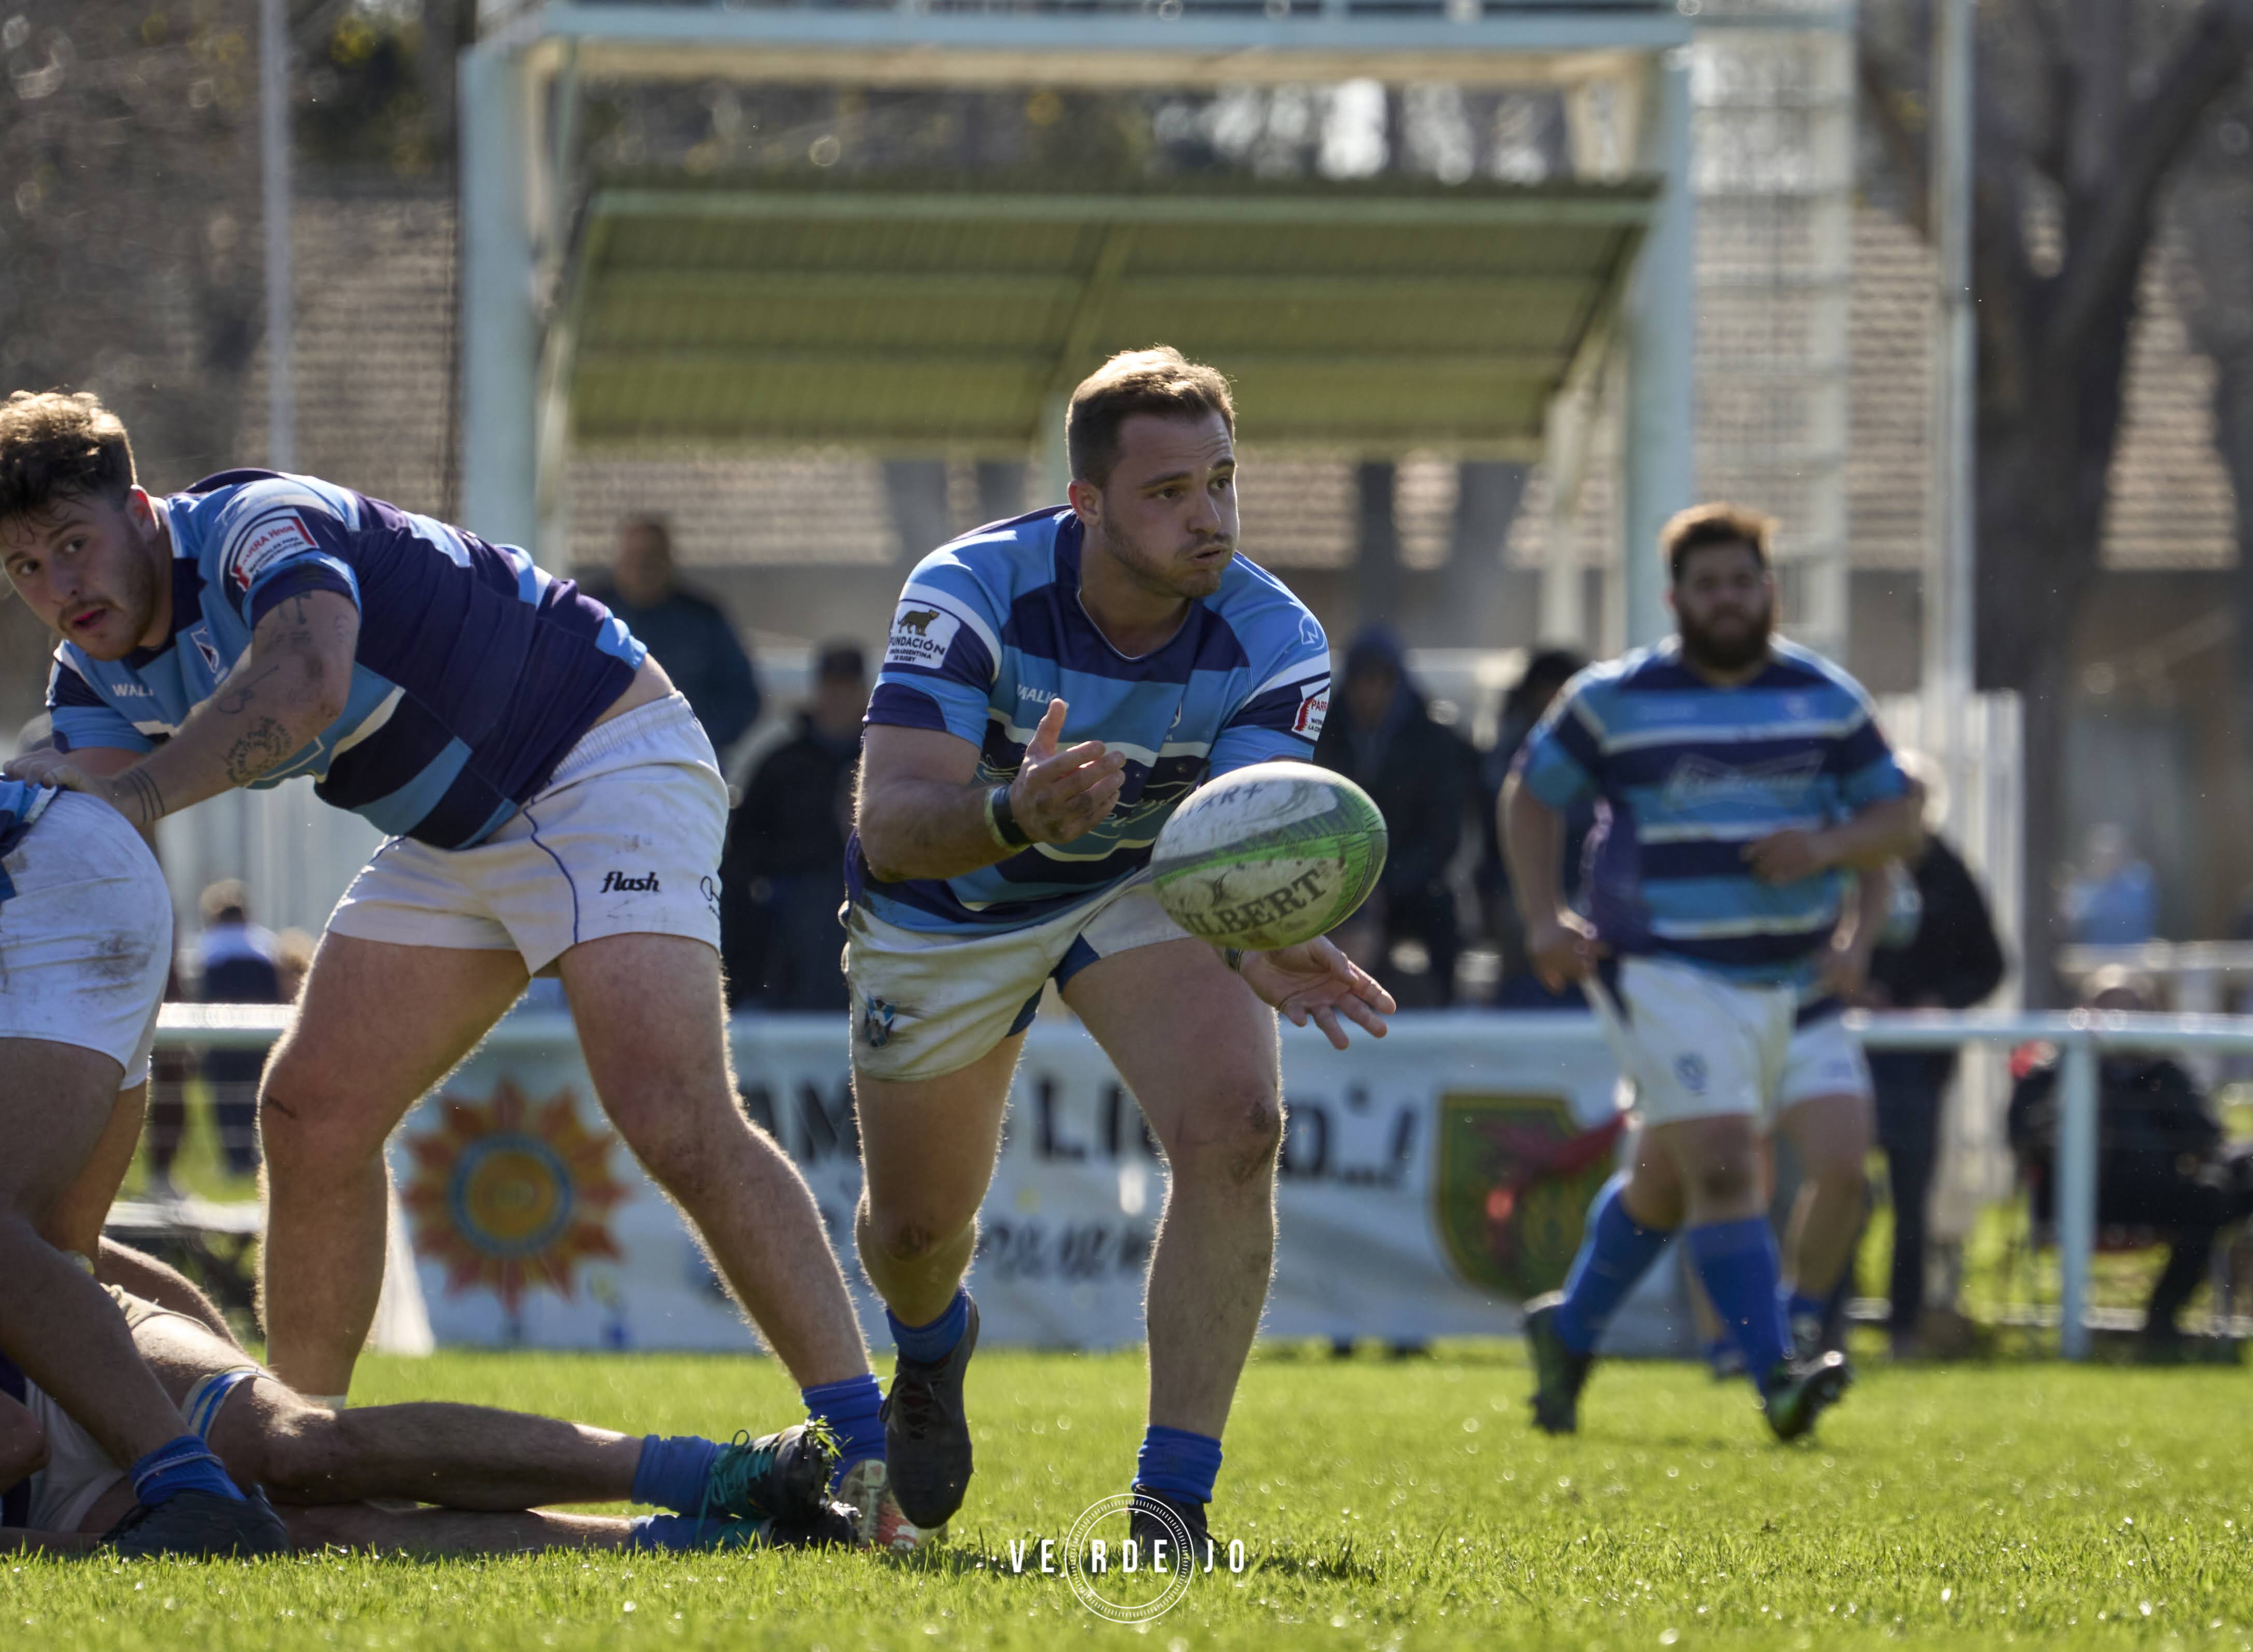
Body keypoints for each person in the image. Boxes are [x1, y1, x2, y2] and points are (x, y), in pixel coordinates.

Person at [0, 391, 906, 1545]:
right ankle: (305, 1453)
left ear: (139, 511)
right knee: (310, 1108)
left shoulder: (253, 528)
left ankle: (870, 1459)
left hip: (600, 758)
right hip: (462, 832)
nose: (58, 584)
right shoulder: (89, 676)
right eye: (24, 565)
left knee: (669, 1109)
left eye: (73, 542)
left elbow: (304, 682)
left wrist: (128, 790)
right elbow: (59, 816)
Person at [847, 348, 1393, 1557]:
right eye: (1166, 493)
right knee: (913, 1238)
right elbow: (889, 825)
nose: (1208, 517)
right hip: (957, 894)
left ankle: (1171, 1510)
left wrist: (1264, 939)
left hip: (1144, 881)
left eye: (1221, 481)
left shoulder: (1274, 634)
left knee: (1241, 1126)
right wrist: (1012, 814)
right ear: (1085, 503)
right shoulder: (970, 588)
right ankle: (933, 1346)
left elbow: (1247, 830)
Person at [1501, 501, 1921, 1441]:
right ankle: (1774, 1372)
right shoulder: (1615, 698)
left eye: (1742, 581)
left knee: (1830, 1168)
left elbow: (1894, 821)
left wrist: (1828, 857)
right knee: (1727, 1164)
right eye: (1707, 585)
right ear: (1675, 598)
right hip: (1666, 975)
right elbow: (1530, 798)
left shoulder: (1827, 697)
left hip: (1796, 981)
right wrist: (1541, 915)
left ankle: (1574, 1332)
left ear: (1769, 590)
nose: (1726, 599)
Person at [0, 1271, 850, 1554]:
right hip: (34, 1505)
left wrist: (217, 1353)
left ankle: (720, 1471)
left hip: (57, 1351)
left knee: (299, 1446)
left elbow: (58, 1247)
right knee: (320, 1535)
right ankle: (721, 1540)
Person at [0, 775, 285, 1556]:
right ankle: (642, 1514)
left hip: (65, 872)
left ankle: (191, 1485)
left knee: (303, 1447)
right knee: (310, 1463)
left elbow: (17, 1439)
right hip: (76, 865)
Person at [2008, 969, 2253, 1349]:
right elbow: (2021, 1135)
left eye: (2131, 1009)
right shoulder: (2052, 1071)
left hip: (2155, 1199)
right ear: (2084, 1010)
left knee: (2217, 1192)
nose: (2120, 1020)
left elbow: (2205, 1138)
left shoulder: (2163, 1073)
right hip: (2076, 1204)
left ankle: (2160, 1320)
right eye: (2109, 1008)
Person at [1852, 755, 2006, 1357]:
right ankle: (1827, 1321)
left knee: (1910, 1204)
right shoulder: (1854, 865)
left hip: (1920, 1064)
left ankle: (1902, 1331)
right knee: (1843, 1190)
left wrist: (1941, 1002)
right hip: (1852, 1055)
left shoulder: (1950, 873)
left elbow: (1991, 963)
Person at [1312, 628, 1468, 1007]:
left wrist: (1387, 881)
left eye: (1381, 682)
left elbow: (1443, 835)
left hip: (1407, 881)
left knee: (1440, 913)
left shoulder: (1434, 742)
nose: (1370, 693)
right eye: (1362, 682)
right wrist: (1350, 881)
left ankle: (1445, 1009)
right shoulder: (1320, 735)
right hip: (1333, 876)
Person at [719, 642, 867, 1011]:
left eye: (848, 688)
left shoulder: (885, 763)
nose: (838, 699)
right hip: (790, 906)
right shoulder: (781, 764)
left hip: (869, 898)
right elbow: (745, 844)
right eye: (831, 687)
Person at [583, 515, 763, 755]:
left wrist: (693, 737)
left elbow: (744, 699)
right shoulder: (587, 616)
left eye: (651, 559)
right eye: (633, 558)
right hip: (602, 766)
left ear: (669, 561)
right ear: (617, 560)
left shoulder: (703, 619)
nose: (641, 568)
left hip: (685, 766)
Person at [1478, 647, 1590, 1006]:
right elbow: (1508, 811)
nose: (1553, 700)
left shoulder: (1596, 740)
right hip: (1519, 881)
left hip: (1586, 876)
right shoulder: (1512, 745)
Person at [192, 879, 285, 1178]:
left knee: (226, 1099)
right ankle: (259, 1160)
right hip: (260, 1035)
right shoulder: (265, 945)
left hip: (220, 1036)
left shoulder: (209, 947)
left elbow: (202, 994)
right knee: (256, 1096)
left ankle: (235, 1160)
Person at [2061, 822, 2158, 947]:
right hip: (2093, 958)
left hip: (2134, 957)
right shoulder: (2081, 887)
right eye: (2102, 856)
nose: (2109, 861)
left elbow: (2142, 917)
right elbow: (2071, 924)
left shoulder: (2139, 883)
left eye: (2114, 855)